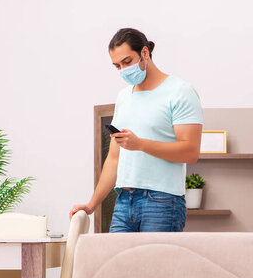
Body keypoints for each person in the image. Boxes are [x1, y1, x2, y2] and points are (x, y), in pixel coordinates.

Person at [69, 28, 203, 232]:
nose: (123, 70)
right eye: (117, 66)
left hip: (162, 202)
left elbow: (190, 152)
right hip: (123, 202)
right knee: (116, 264)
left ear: (145, 53)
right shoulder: (124, 97)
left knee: (155, 265)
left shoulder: (179, 91)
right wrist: (91, 205)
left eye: (127, 61)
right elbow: (114, 158)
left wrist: (140, 144)